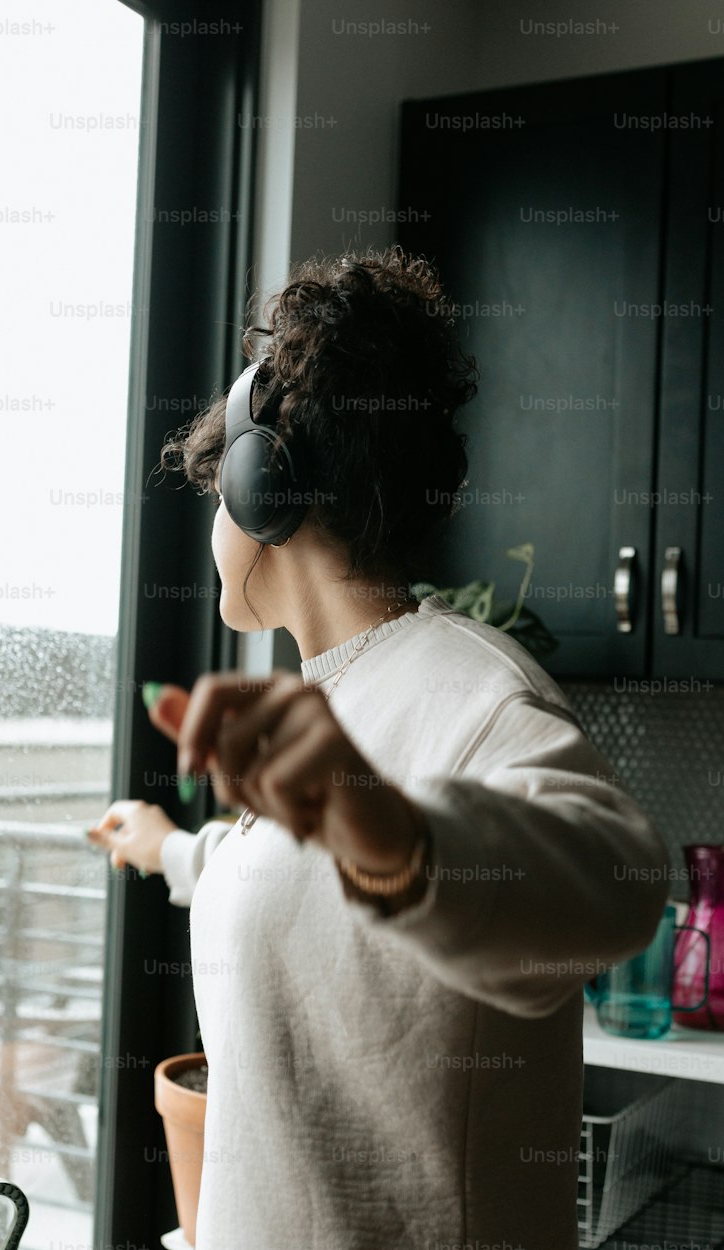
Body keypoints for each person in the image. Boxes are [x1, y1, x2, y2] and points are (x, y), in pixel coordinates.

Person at [87, 246, 670, 1250]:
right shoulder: (336, 695)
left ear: (261, 484)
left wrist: (391, 833)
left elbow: (616, 876)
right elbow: (294, 879)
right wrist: (169, 849)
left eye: (215, 490)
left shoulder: (476, 689)